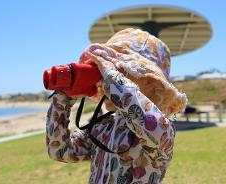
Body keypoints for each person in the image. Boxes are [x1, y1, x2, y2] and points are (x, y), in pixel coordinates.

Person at [46, 28, 187, 184]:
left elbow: (149, 124)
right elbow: (60, 151)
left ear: (150, 83)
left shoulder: (162, 128)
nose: (103, 80)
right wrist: (62, 100)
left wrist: (113, 79)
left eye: (122, 69)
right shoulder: (102, 127)